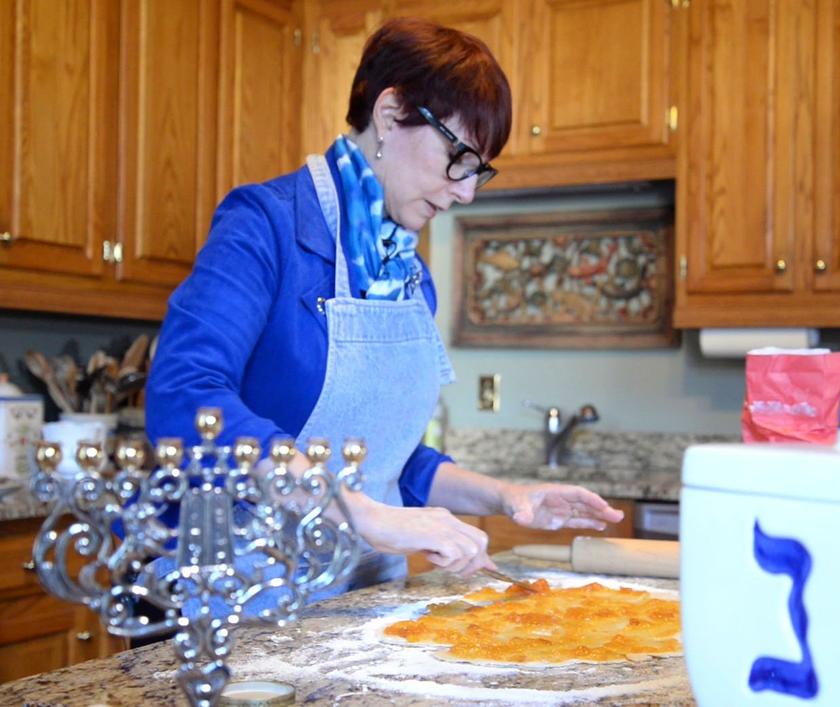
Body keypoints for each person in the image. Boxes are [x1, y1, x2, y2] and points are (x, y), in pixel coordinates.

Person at [146, 17, 623, 595]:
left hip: (361, 603)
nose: (466, 191)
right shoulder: (265, 225)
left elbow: (390, 460)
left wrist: (507, 497)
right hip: (244, 598)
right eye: (459, 158)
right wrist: (365, 514)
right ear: (390, 114)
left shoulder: (408, 273)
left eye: (479, 170)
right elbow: (185, 397)